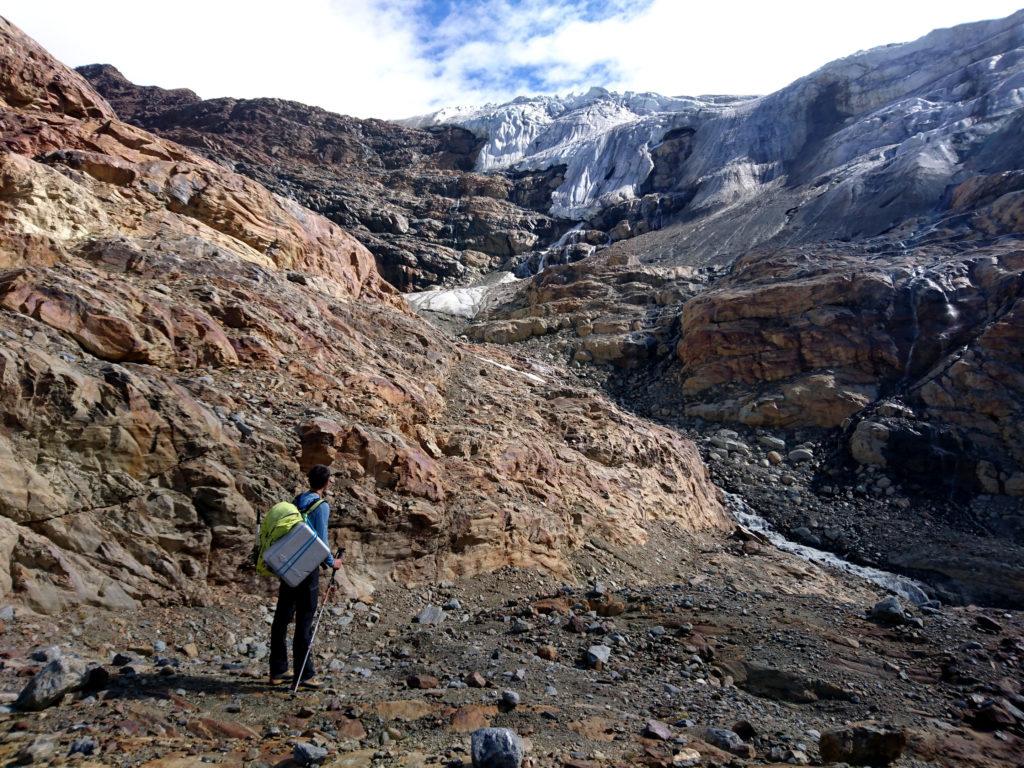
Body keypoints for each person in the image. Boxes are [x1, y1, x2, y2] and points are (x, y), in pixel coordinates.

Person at [268, 464, 341, 688]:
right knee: (305, 620)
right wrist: (332, 562)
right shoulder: (321, 506)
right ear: (327, 482)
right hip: (307, 568)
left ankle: (278, 669)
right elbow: (321, 539)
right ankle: (304, 674)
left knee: (282, 617)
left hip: (289, 564)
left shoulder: (297, 500)